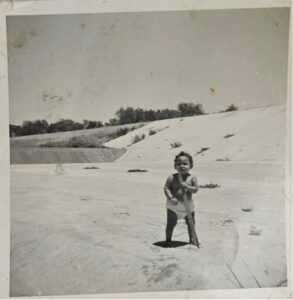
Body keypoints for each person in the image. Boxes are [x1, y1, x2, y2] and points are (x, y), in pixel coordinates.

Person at [164, 151, 199, 246]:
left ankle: (192, 239)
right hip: (174, 205)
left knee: (191, 223)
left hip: (188, 204)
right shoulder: (172, 177)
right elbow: (166, 188)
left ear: (191, 166)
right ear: (175, 166)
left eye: (185, 164)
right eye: (178, 164)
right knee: (171, 223)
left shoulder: (192, 178)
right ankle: (168, 240)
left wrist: (187, 187)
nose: (182, 166)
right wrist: (171, 197)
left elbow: (195, 189)